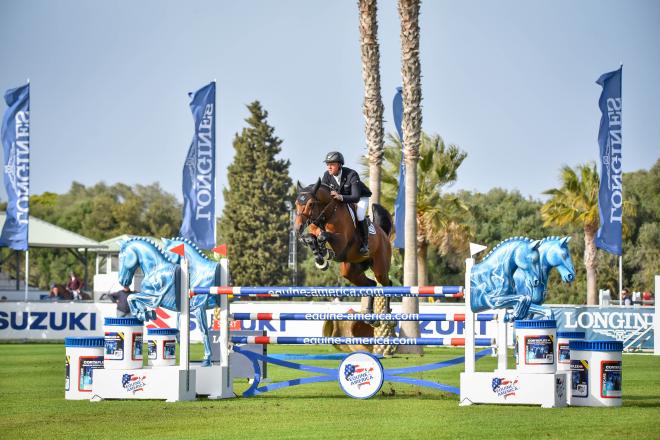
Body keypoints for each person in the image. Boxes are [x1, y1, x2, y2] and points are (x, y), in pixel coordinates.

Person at [321, 151, 372, 255]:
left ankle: (365, 244)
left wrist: (340, 197)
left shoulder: (351, 174)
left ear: (339, 165)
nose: (329, 167)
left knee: (359, 215)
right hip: (342, 199)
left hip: (360, 197)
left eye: (332, 164)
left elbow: (356, 197)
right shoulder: (326, 176)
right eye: (328, 164)